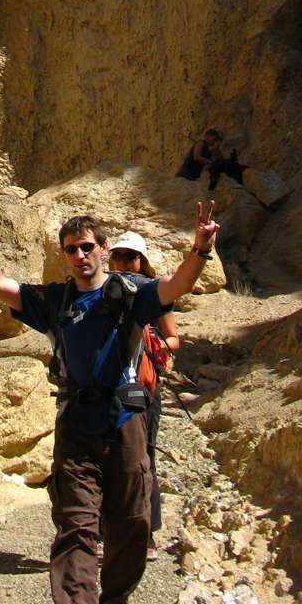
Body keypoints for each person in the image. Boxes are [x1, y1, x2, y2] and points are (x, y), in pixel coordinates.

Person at [0, 197, 220, 604]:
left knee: (130, 521)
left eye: (87, 247)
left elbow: (177, 285)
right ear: (63, 254)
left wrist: (199, 249)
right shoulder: (55, 301)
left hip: (125, 419)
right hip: (76, 422)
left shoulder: (130, 292)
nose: (80, 255)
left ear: (103, 248)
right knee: (75, 526)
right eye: (72, 249)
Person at [106, 232, 179, 558]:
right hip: (105, 385)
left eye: (130, 257)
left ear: (142, 261)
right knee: (105, 454)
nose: (123, 262)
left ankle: (145, 532)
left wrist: (155, 343)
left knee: (141, 457)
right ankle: (105, 531)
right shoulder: (99, 290)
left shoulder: (152, 294)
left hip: (141, 387)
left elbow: (174, 337)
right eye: (118, 256)